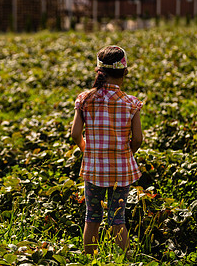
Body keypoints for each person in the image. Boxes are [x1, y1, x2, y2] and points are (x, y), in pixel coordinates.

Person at [71, 45, 143, 254]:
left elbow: (75, 133)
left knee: (92, 217)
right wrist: (126, 154)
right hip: (121, 171)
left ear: (99, 71)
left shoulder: (85, 99)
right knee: (117, 219)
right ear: (125, 72)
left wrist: (88, 150)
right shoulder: (131, 103)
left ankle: (89, 258)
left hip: (94, 170)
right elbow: (137, 139)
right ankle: (123, 258)